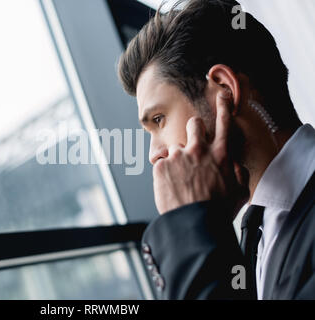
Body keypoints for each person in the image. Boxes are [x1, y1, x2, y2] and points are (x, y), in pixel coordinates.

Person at [117, 0, 315, 299]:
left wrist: (189, 226)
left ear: (224, 89)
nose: (153, 154)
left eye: (159, 119)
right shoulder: (252, 231)